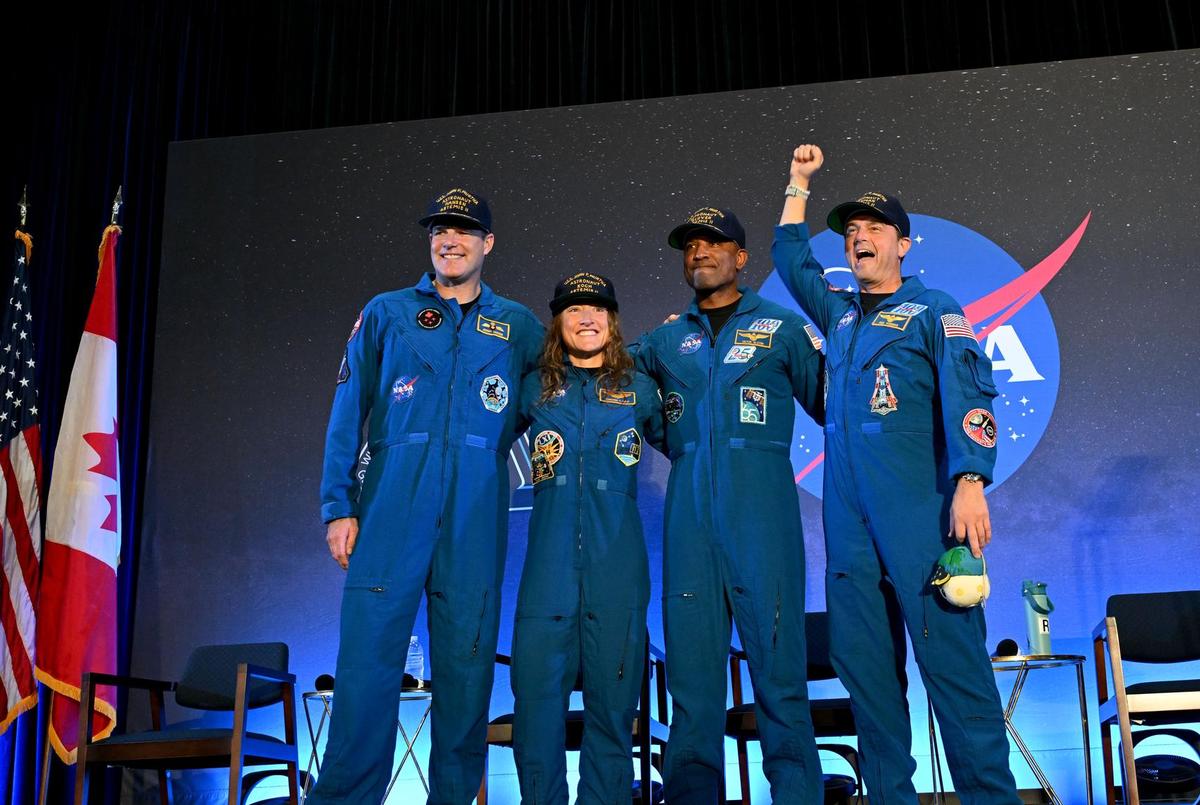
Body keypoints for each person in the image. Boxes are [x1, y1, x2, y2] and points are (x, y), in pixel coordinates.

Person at [773, 145, 1019, 803]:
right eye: (851, 231)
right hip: (850, 534)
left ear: (903, 244)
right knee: (870, 683)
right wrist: (798, 183)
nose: (859, 236)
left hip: (921, 522)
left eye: (875, 228)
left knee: (958, 674)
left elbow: (972, 393)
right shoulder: (841, 315)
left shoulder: (934, 309)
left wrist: (970, 480)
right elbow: (789, 260)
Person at [312, 188, 544, 804]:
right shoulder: (387, 311)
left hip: (475, 509)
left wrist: (483, 449)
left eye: (465, 230)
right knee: (366, 669)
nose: (450, 239)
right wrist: (338, 506)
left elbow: (539, 404)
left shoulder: (518, 325)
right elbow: (347, 410)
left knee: (467, 673)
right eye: (441, 229)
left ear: (487, 243)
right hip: (391, 502)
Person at [633, 208, 825, 804]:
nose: (699, 253)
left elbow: (833, 405)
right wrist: (691, 450)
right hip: (690, 524)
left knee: (781, 681)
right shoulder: (663, 342)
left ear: (741, 258)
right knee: (693, 689)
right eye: (690, 245)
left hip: (763, 518)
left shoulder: (783, 328)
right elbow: (632, 400)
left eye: (713, 244)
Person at [510, 271, 664, 804]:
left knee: (613, 708)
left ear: (612, 321)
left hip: (616, 567)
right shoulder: (533, 387)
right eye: (573, 309)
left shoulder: (640, 389)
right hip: (547, 572)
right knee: (535, 709)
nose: (586, 317)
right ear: (557, 323)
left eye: (597, 308)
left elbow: (694, 452)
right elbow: (477, 443)